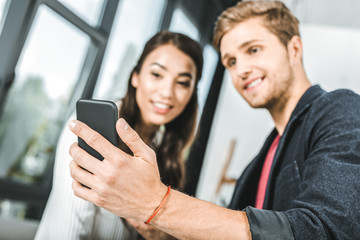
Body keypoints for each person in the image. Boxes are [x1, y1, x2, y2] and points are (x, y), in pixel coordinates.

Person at [68, 1, 360, 239]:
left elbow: (326, 230)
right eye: (231, 62)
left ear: (294, 49)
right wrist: (162, 231)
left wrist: (157, 203)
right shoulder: (259, 163)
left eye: (253, 49)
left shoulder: (340, 109)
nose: (241, 69)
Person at [35, 31, 203, 239]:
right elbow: (68, 231)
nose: (167, 92)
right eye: (157, 75)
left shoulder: (162, 145)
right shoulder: (92, 128)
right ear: (135, 77)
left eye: (183, 83)